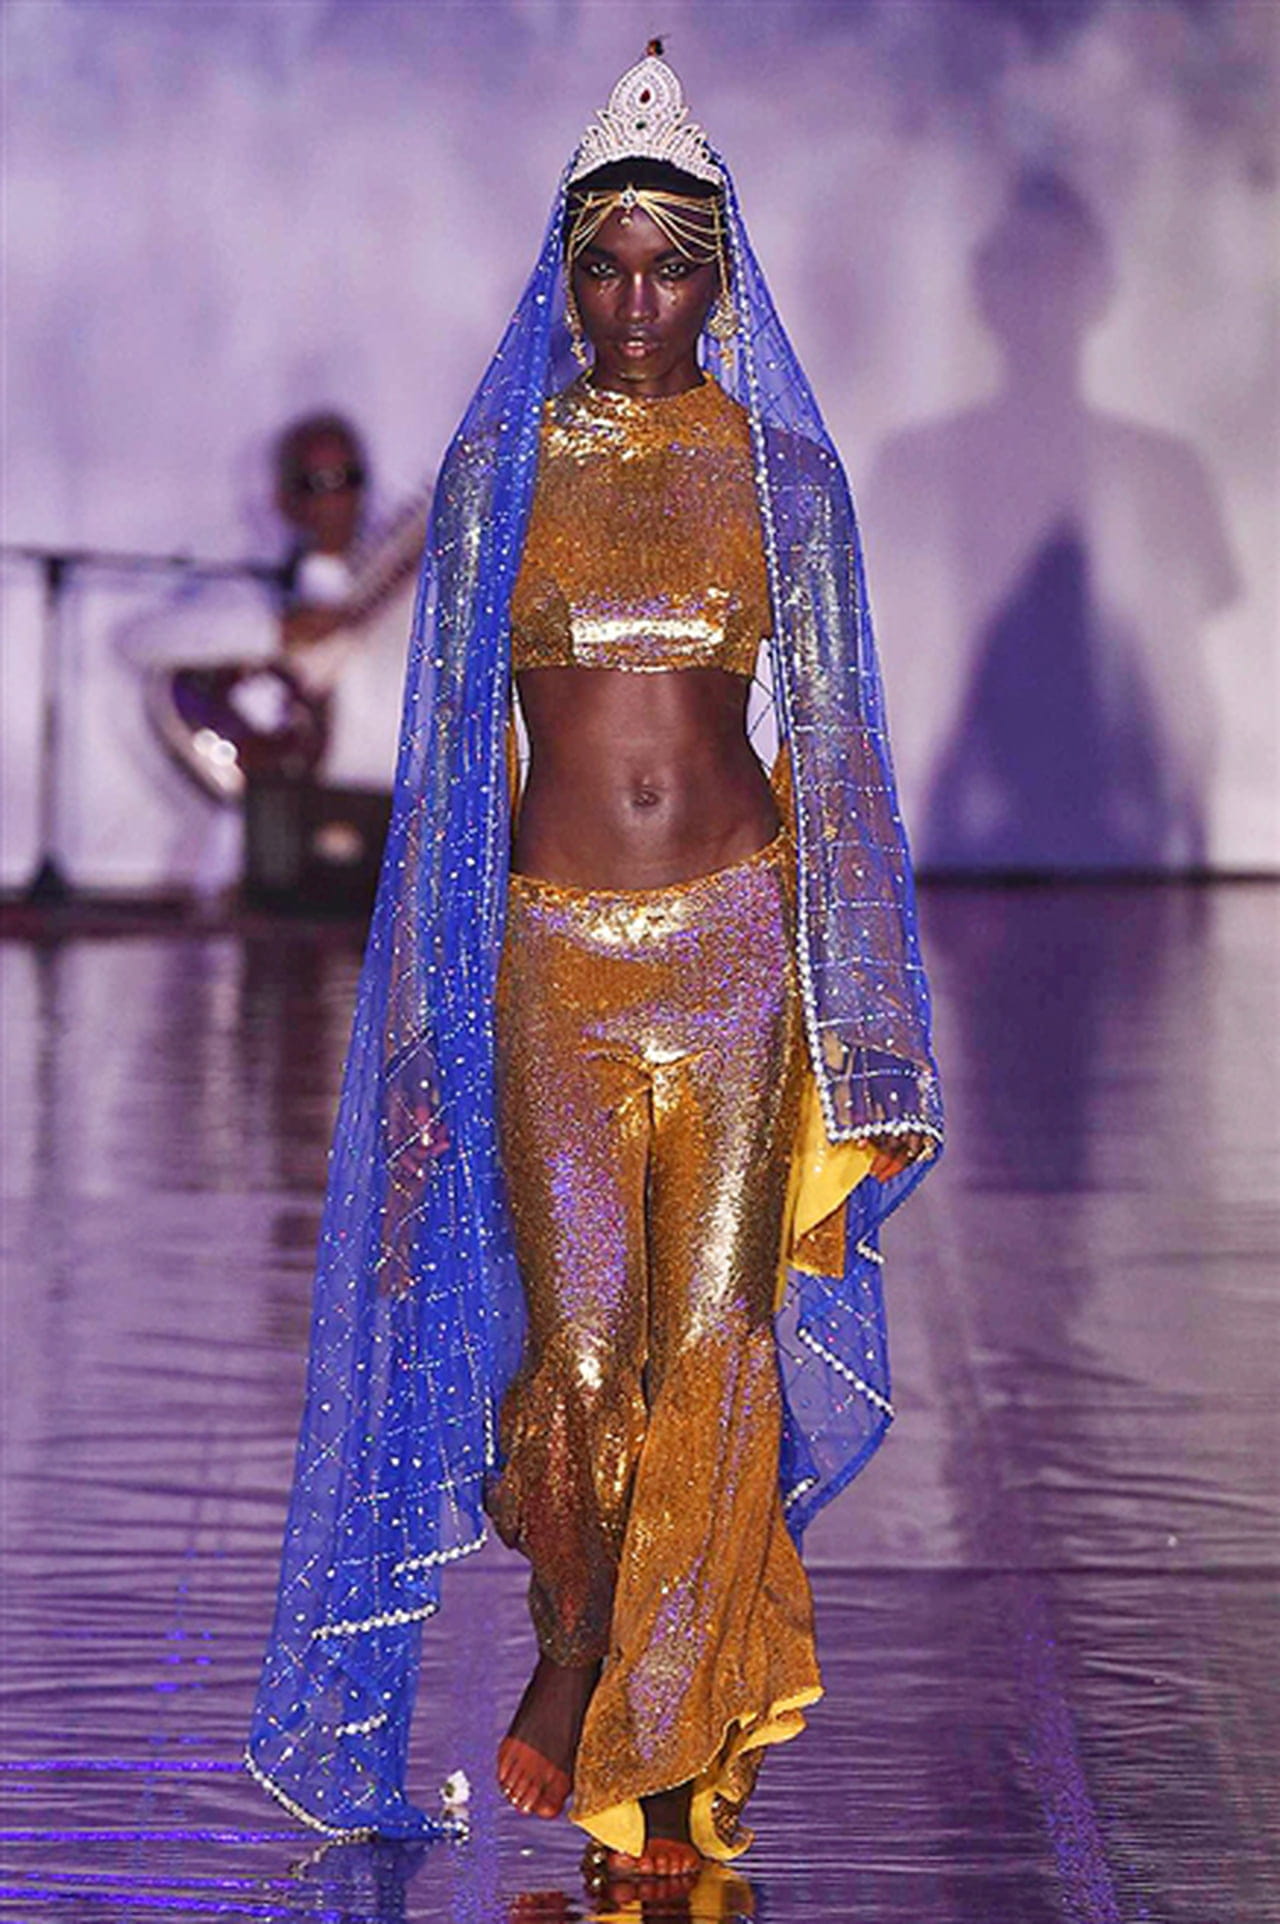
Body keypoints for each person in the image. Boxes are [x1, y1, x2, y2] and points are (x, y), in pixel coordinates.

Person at [245, 44, 942, 1891]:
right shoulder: (501, 474)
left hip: (736, 957)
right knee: (571, 1346)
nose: (638, 303)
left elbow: (840, 749)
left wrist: (866, 1020)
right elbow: (453, 770)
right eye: (608, 267)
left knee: (712, 1341)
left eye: (672, 269)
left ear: (721, 279)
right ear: (566, 276)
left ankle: (673, 1743)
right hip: (553, 960)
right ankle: (578, 1640)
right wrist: (427, 1029)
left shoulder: (787, 478)